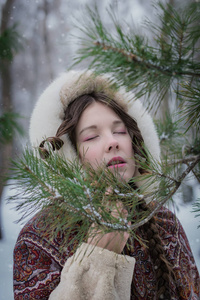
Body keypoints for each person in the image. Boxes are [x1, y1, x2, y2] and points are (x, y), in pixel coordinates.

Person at [13, 70, 200, 300]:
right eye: (91, 137)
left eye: (120, 131)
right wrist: (98, 258)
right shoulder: (37, 238)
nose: (113, 142)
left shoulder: (165, 225)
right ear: (69, 155)